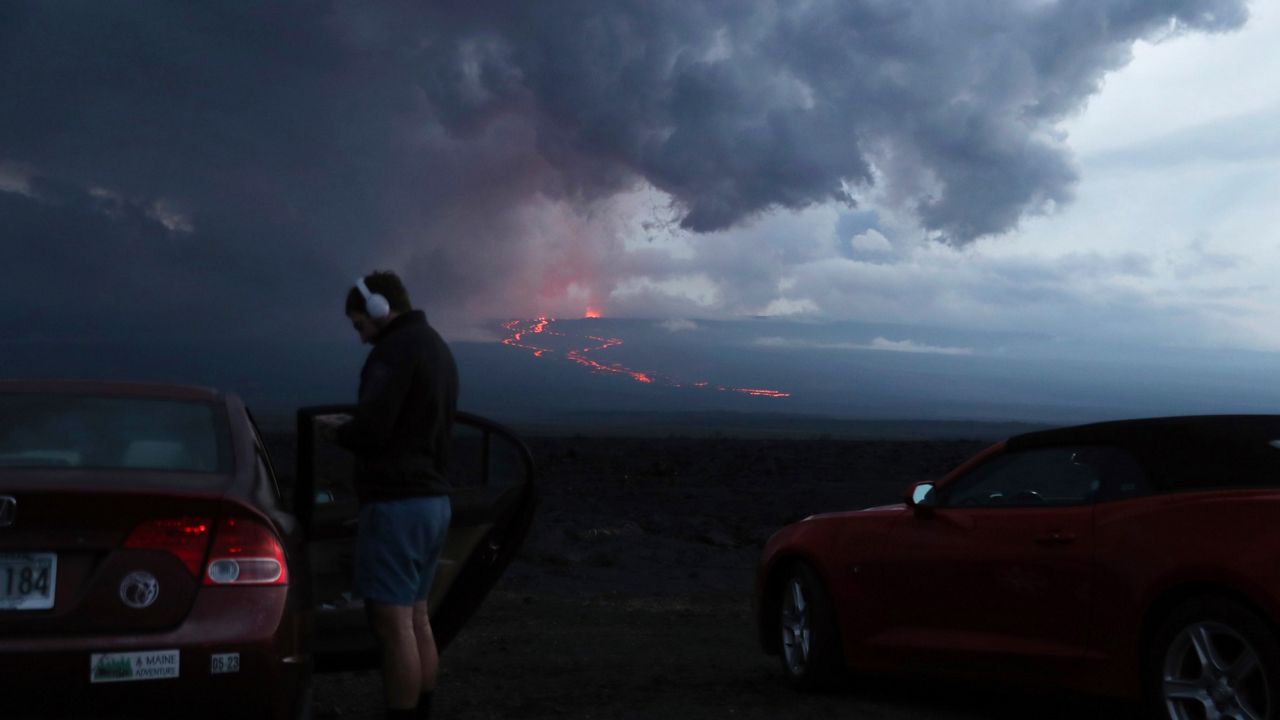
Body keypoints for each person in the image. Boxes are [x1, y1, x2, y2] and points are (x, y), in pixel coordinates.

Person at [317, 270, 457, 720]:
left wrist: (341, 433)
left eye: (360, 325)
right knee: (417, 618)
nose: (361, 338)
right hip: (434, 502)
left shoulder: (393, 352)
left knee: (391, 624)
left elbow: (375, 428)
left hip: (397, 504)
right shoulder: (435, 346)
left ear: (379, 308)